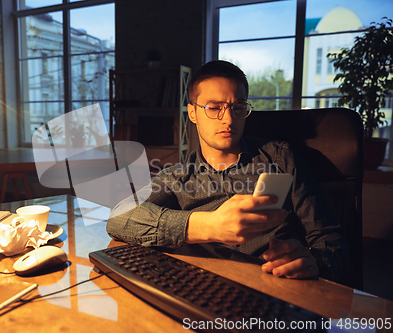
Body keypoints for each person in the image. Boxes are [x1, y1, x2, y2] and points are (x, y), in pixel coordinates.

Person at [107, 60, 349, 282]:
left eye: (238, 106)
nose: (229, 119)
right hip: (203, 288)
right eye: (214, 107)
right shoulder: (176, 177)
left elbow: (329, 237)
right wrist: (207, 225)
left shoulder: (280, 158)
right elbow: (119, 216)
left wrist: (316, 261)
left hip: (275, 288)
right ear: (193, 113)